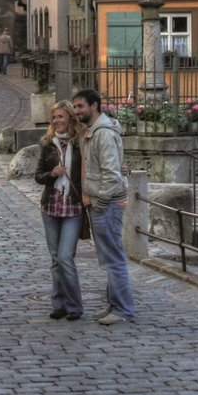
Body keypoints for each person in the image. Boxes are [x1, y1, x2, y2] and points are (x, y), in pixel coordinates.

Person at [71, 89, 135, 325]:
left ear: (95, 106)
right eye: (75, 107)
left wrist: (102, 202)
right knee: (109, 256)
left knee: (113, 259)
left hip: (105, 204)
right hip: (99, 202)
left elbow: (112, 175)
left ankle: (123, 309)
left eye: (80, 107)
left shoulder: (103, 134)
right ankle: (115, 305)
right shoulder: (91, 131)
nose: (77, 111)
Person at [34, 101, 87, 322]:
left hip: (72, 206)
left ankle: (75, 305)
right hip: (51, 206)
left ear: (71, 119)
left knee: (66, 257)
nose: (56, 121)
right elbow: (38, 176)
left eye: (60, 117)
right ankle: (59, 304)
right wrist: (52, 174)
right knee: (55, 259)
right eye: (53, 117)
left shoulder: (80, 144)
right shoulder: (47, 144)